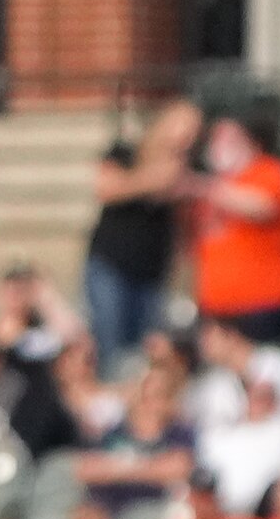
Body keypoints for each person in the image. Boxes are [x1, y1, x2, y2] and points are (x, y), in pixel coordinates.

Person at [82, 96, 199, 363]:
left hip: (152, 272)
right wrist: (152, 179)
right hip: (111, 265)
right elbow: (106, 188)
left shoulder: (187, 167)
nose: (187, 136)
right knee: (109, 345)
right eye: (183, 126)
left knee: (143, 351)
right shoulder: (126, 152)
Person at [184, 106, 280, 347]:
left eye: (230, 137)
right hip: (217, 305)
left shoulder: (270, 172)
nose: (220, 145)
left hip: (264, 304)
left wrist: (205, 188)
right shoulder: (214, 183)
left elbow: (262, 207)